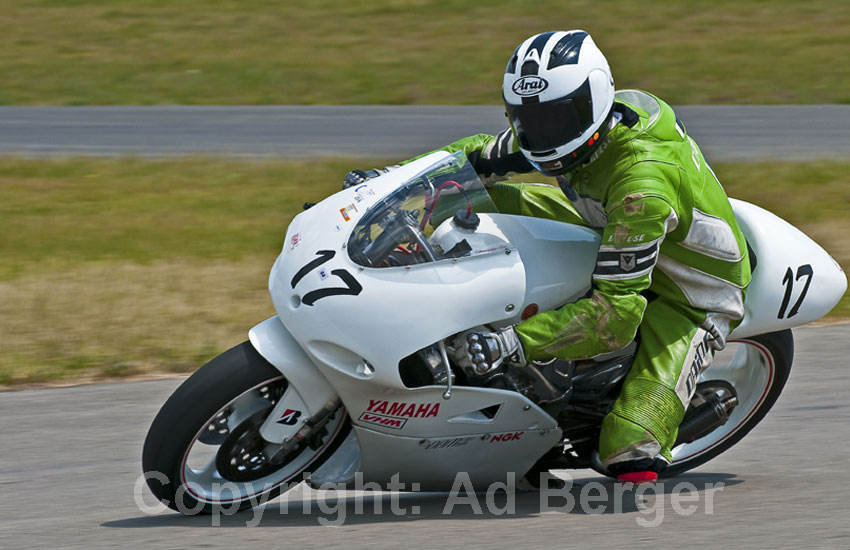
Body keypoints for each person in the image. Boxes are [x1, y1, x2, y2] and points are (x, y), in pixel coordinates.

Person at [344, 30, 751, 483]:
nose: (539, 135)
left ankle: (665, 419)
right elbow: (479, 155)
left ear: (594, 103)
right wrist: (394, 182)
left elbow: (615, 316)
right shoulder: (576, 127)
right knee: (462, 194)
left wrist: (509, 342)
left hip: (687, 290)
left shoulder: (641, 187)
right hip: (602, 224)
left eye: (554, 121)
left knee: (627, 452)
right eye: (527, 120)